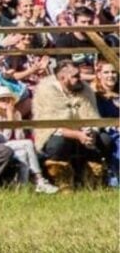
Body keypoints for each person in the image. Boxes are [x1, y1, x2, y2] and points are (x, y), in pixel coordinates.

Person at [33, 60, 107, 190]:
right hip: (57, 135)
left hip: (82, 133)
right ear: (63, 78)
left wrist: (91, 132)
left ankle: (92, 182)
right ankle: (63, 182)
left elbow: (91, 116)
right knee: (58, 144)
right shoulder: (46, 91)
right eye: (75, 76)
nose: (80, 78)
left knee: (105, 140)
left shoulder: (85, 90)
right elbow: (51, 126)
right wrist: (77, 134)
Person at [0, 86, 59, 194]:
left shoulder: (17, 114)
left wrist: (13, 118)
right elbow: (2, 139)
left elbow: (20, 137)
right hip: (0, 147)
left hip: (17, 145)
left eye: (8, 99)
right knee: (28, 143)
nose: (6, 102)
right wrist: (10, 120)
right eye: (2, 99)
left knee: (23, 153)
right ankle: (39, 178)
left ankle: (22, 188)